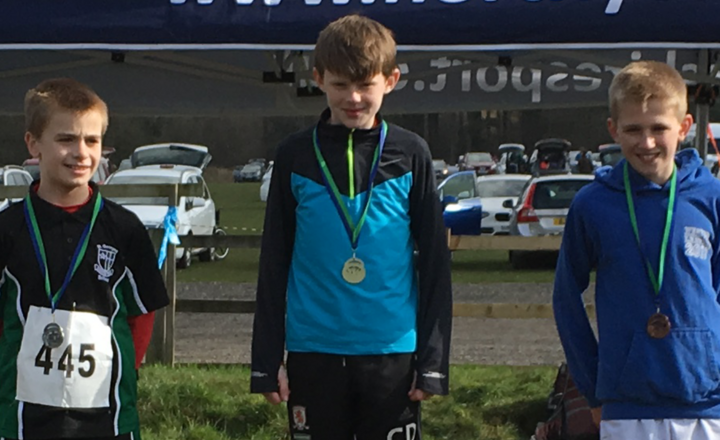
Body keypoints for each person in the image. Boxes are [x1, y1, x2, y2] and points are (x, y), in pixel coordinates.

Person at [250, 14, 452, 440]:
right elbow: (274, 262)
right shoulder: (294, 155)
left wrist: (433, 361)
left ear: (391, 80)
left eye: (365, 85)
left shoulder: (411, 153)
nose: (353, 98)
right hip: (313, 351)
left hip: (392, 352)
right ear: (319, 79)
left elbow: (435, 262)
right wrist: (266, 361)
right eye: (340, 85)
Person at [553, 60, 720, 439]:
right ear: (613, 129)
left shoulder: (710, 197)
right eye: (633, 130)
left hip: (707, 404)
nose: (646, 143)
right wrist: (592, 385)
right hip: (626, 405)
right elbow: (565, 298)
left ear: (684, 127)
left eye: (659, 128)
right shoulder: (593, 205)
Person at [0, 78, 169, 440]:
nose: (81, 153)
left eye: (92, 141)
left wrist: (125, 369)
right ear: (33, 143)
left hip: (107, 418)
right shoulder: (8, 229)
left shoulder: (125, 228)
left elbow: (141, 315)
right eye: (66, 139)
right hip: (22, 419)